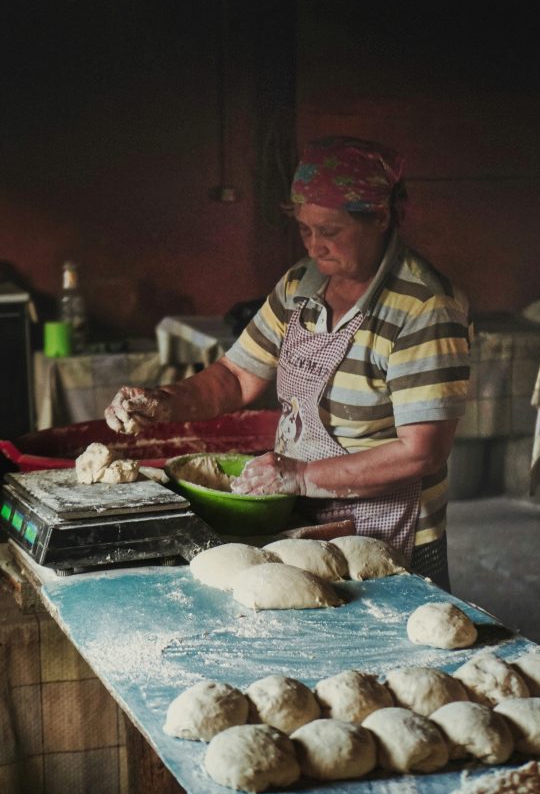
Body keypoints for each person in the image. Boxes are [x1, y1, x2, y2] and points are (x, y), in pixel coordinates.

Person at [105, 136, 471, 590]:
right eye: (305, 230)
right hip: (304, 514)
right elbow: (237, 377)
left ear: (379, 217)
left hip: (390, 534)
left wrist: (299, 475)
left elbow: (422, 450)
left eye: (331, 232)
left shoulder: (423, 306)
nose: (315, 247)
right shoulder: (302, 283)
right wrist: (164, 402)